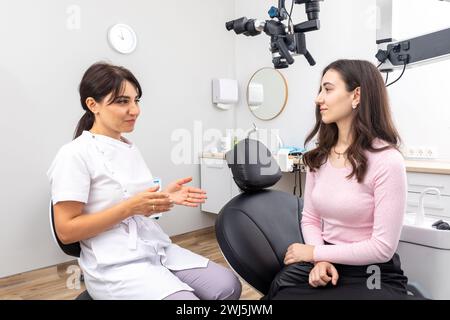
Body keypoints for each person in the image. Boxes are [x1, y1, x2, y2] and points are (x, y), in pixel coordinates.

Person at [47, 62, 241, 300]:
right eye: (122, 101)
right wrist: (130, 207)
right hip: (113, 263)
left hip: (154, 247)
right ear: (92, 104)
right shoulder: (74, 154)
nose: (135, 110)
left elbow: (139, 208)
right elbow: (66, 231)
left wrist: (164, 198)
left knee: (227, 286)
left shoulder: (129, 148)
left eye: (136, 100)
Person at [267, 59, 420, 300]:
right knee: (280, 293)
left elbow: (382, 248)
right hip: (325, 263)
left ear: (356, 95)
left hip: (372, 272)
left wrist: (313, 252)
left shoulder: (387, 161)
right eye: (320, 90)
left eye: (327, 89)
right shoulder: (319, 157)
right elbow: (310, 218)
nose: (318, 99)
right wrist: (321, 259)